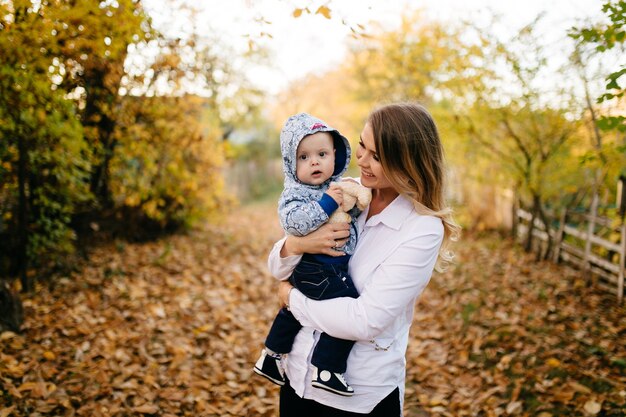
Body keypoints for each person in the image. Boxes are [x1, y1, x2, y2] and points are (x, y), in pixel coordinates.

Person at [267, 102, 460, 416]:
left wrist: (292, 299)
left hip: (357, 399)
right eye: (361, 146)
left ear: (406, 162)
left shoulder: (422, 228)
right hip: (297, 375)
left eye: (377, 156)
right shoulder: (346, 192)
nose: (361, 160)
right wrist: (299, 243)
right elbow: (277, 266)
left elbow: (364, 320)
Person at [254, 113, 367, 397]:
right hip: (317, 267)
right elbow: (295, 224)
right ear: (291, 165)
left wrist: (350, 204)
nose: (314, 161)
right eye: (303, 157)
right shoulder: (296, 194)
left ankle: (271, 356)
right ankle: (327, 368)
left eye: (322, 154)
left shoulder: (337, 187)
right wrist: (329, 202)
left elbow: (349, 217)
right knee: (347, 305)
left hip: (325, 266)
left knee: (293, 311)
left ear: (336, 156)